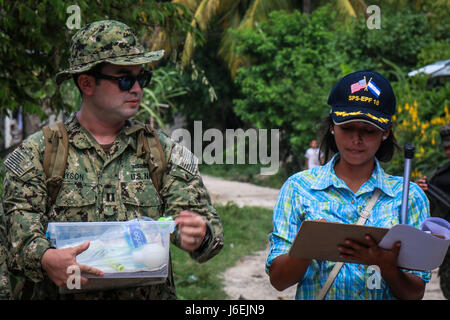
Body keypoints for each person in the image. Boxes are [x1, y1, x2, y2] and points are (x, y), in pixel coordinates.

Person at [1, 20, 224, 300]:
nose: (137, 89)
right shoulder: (39, 154)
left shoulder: (163, 152)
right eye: (124, 79)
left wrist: (199, 234)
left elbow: (207, 230)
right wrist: (45, 258)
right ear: (87, 83)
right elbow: (16, 236)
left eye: (141, 78)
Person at [266, 70, 431, 300]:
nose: (356, 139)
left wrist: (388, 267)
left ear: (386, 132)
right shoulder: (298, 188)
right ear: (332, 126)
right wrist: (307, 246)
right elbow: (278, 280)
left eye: (368, 130)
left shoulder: (409, 197)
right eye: (347, 127)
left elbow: (415, 293)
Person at [415, 123, 450, 299]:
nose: (448, 152)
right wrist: (420, 190)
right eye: (446, 148)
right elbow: (431, 210)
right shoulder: (440, 177)